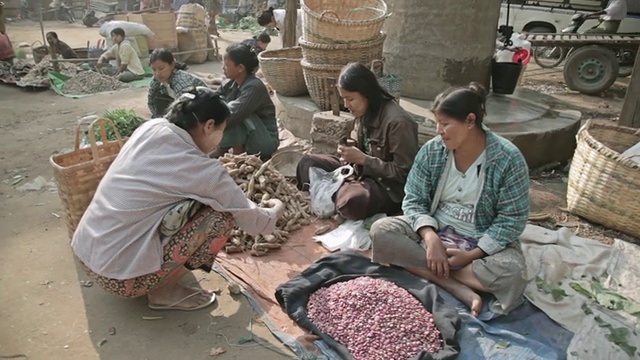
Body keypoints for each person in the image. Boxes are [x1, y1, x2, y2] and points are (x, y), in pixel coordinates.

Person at [71, 86, 285, 311]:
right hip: (119, 280)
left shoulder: (151, 127)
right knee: (220, 219)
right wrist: (276, 210)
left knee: (192, 204)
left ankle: (153, 271)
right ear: (209, 126)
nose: (221, 138)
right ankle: (163, 292)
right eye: (222, 129)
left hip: (87, 251)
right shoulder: (204, 171)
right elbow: (255, 224)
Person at [369, 83, 530, 317]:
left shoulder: (508, 159)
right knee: (381, 231)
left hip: (479, 241)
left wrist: (472, 255)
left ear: (470, 120)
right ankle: (455, 284)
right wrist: (430, 237)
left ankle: (428, 269)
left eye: (445, 124)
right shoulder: (433, 151)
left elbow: (512, 219)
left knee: (513, 273)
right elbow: (414, 198)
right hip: (436, 231)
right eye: (437, 123)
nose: (439, 131)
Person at [296, 63, 419, 221]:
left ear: (366, 93)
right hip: (357, 172)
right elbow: (358, 144)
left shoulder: (398, 123)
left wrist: (364, 159)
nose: (346, 106)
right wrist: (348, 149)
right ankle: (336, 194)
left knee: (351, 202)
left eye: (350, 99)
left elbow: (404, 174)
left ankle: (336, 195)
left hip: (386, 186)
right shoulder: (365, 110)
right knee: (307, 162)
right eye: (344, 99)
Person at [213, 43, 279, 159]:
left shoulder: (254, 87)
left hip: (264, 141)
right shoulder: (231, 83)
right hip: (252, 136)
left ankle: (236, 152)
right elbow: (213, 98)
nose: (223, 67)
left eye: (226, 64)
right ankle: (229, 147)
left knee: (234, 112)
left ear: (240, 68)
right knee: (219, 102)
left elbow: (235, 114)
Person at [148, 48, 208, 118]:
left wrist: (165, 120)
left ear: (172, 65)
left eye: (161, 68)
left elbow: (182, 108)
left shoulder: (180, 81)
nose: (157, 73)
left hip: (203, 108)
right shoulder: (156, 80)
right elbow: (151, 100)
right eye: (154, 69)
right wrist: (156, 117)